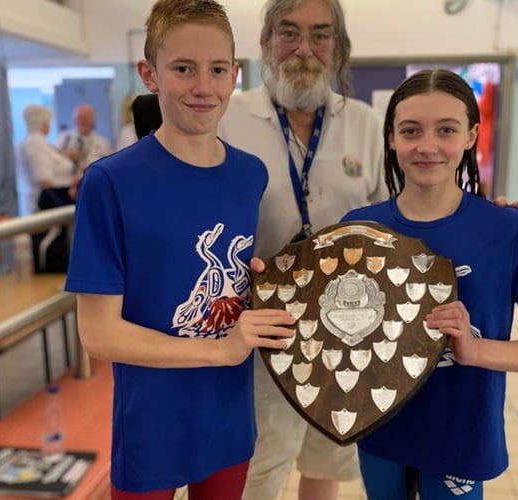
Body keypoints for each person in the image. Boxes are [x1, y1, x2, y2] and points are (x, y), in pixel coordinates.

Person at [64, 1, 294, 498]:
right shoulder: (110, 182)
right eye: (183, 69)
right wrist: (220, 349)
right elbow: (98, 335)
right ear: (150, 74)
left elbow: (221, 278)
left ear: (235, 75)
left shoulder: (249, 174)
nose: (203, 87)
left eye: (217, 70)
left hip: (229, 411)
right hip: (154, 418)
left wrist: (259, 291)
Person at [341, 69, 518, 499]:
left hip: (460, 430)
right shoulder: (358, 229)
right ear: (391, 137)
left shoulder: (511, 229)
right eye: (411, 131)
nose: (427, 146)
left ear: (470, 136)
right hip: (381, 424)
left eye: (446, 130)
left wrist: (475, 348)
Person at [217, 1, 386, 498]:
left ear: (338, 47)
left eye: (320, 35)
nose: (304, 48)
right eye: (289, 33)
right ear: (267, 43)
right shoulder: (230, 117)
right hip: (262, 329)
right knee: (257, 469)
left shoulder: (366, 124)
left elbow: (394, 219)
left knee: (327, 461)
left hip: (347, 329)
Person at [16, 104, 76, 215]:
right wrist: (61, 205)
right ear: (43, 123)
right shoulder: (36, 143)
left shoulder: (38, 142)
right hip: (48, 205)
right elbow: (44, 180)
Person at [56, 103, 112, 175]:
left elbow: (107, 167)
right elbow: (56, 164)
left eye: (85, 119)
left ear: (93, 121)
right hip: (70, 182)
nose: (82, 121)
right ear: (74, 119)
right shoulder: (63, 139)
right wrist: (65, 156)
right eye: (79, 118)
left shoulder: (103, 142)